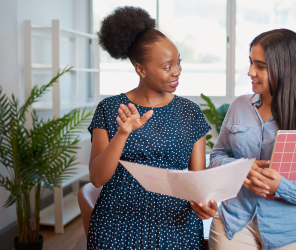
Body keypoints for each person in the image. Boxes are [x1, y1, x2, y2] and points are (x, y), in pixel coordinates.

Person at [87, 6, 217, 250]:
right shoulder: (110, 108)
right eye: (167, 67)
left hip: (176, 223)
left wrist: (203, 204)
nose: (177, 72)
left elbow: (198, 182)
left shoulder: (190, 112)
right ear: (141, 69)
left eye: (178, 62)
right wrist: (123, 133)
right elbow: (97, 178)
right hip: (118, 222)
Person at [208, 29, 296, 250]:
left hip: (293, 229)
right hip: (236, 220)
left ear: (286, 67)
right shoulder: (239, 106)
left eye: (260, 66)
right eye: (251, 62)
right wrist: (240, 169)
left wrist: (282, 187)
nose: (250, 72)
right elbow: (216, 156)